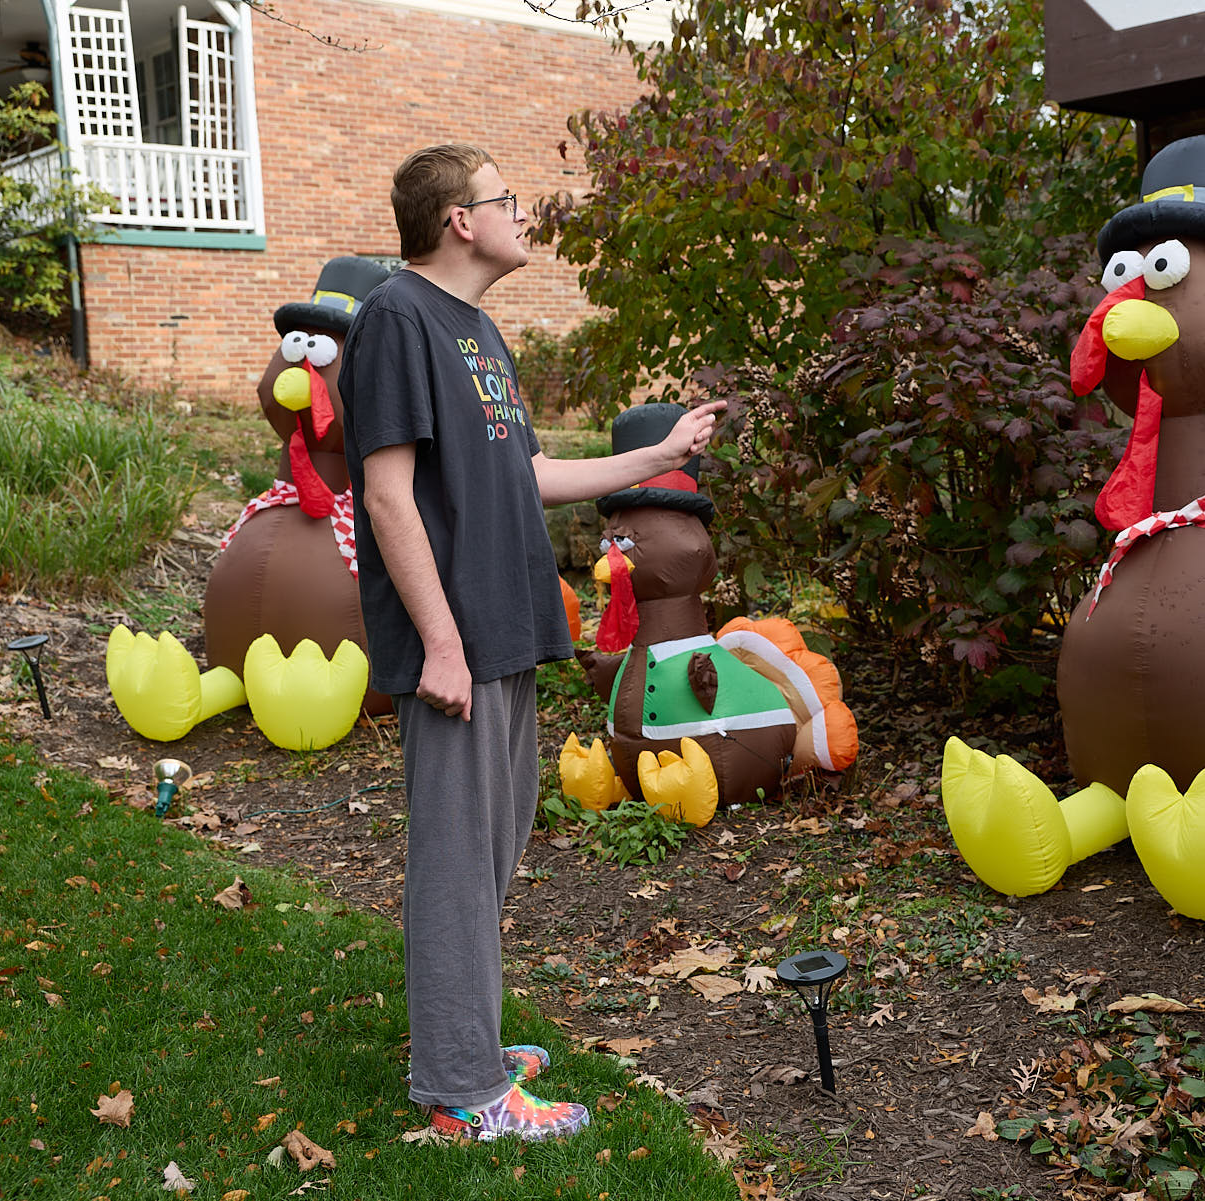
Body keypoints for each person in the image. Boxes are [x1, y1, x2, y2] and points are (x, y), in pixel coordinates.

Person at [338, 143, 723, 1142]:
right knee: (458, 858)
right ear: (460, 220)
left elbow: (530, 474)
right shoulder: (396, 318)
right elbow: (385, 493)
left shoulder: (478, 331)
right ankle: (464, 1090)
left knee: (495, 847)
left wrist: (659, 453)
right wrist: (440, 643)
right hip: (456, 638)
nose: (522, 216)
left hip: (504, 625)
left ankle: (465, 1041)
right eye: (507, 200)